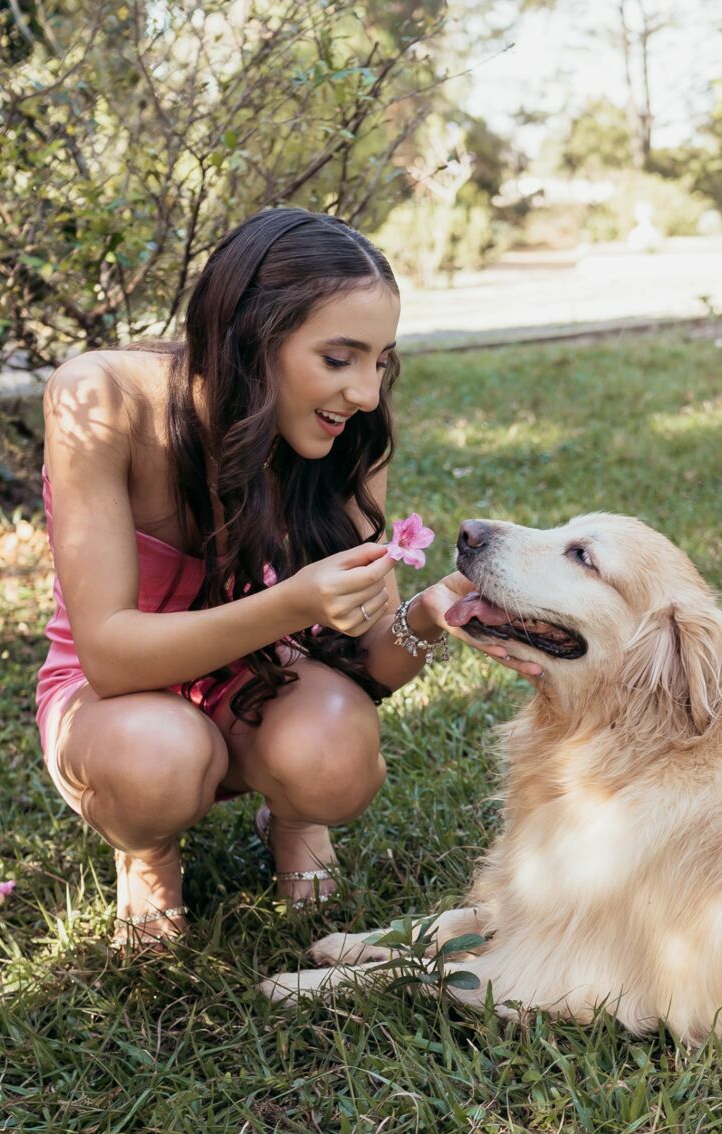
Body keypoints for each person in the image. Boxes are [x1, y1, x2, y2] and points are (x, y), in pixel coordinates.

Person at [34, 208, 540, 948]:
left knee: (336, 758)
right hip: (113, 697)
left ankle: (295, 815)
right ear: (248, 339)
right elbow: (110, 659)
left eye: (380, 361)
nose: (367, 393)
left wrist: (428, 615)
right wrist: (292, 604)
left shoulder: (348, 435)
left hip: (258, 684)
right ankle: (146, 853)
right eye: (339, 359)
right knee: (158, 757)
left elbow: (368, 668)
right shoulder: (101, 399)